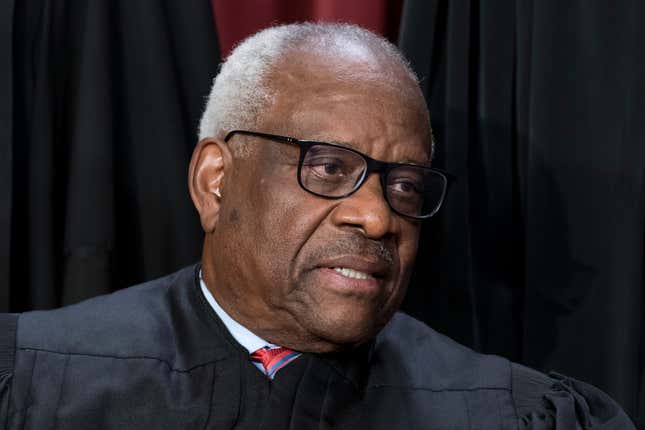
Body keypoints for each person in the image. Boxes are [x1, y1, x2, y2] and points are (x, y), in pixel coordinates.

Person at [0, 23, 634, 429]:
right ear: (215, 181)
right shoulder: (36, 383)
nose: (379, 216)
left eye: (404, 185)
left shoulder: (508, 413)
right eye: (329, 167)